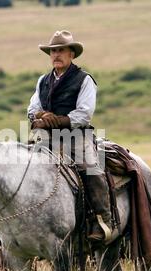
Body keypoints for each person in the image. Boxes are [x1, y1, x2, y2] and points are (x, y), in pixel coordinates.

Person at [27, 30, 113, 242]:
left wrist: (61, 120)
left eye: (61, 50)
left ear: (71, 54)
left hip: (77, 139)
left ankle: (102, 221)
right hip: (47, 139)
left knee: (92, 170)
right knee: (21, 168)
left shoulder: (85, 80)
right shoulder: (43, 81)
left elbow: (84, 113)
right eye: (53, 51)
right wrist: (41, 116)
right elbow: (32, 108)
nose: (56, 55)